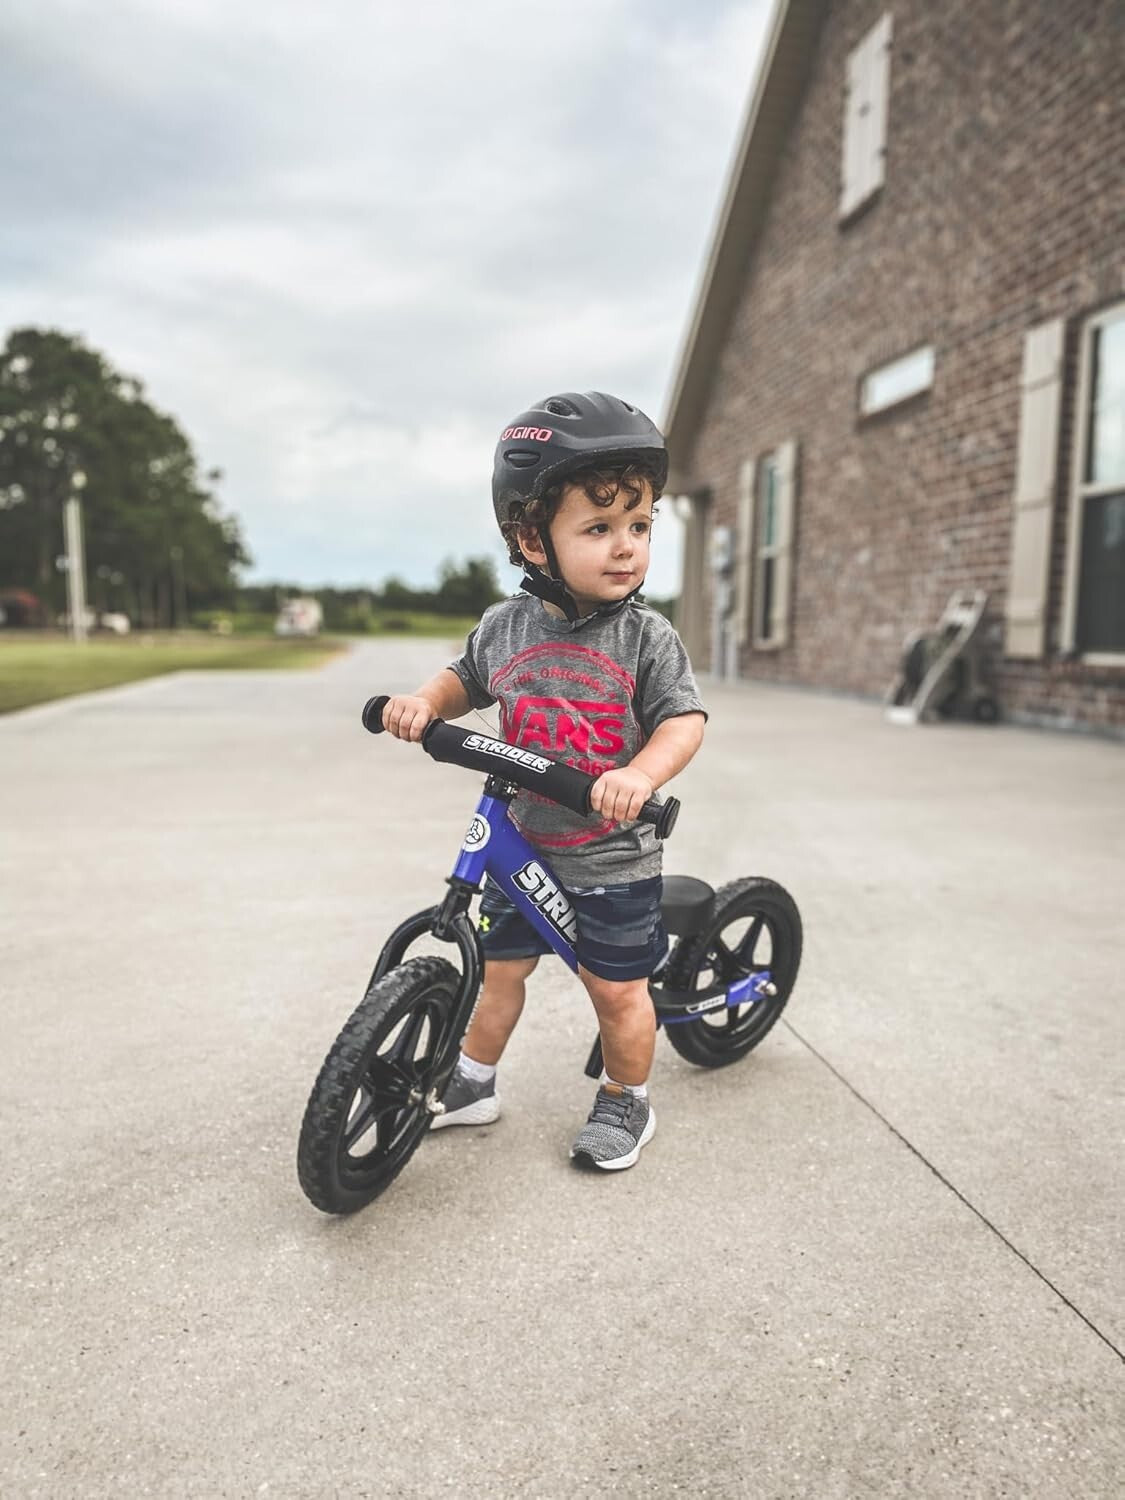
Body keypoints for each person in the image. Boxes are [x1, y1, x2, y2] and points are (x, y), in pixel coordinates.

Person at [381, 391, 706, 1171]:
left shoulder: (645, 637)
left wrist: (637, 772)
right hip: (523, 841)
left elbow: (682, 720)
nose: (626, 547)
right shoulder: (505, 626)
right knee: (497, 974)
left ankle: (627, 1101)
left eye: (639, 525)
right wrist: (424, 705)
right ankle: (469, 1081)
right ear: (531, 538)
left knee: (615, 992)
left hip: (611, 857)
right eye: (598, 528)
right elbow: (465, 676)